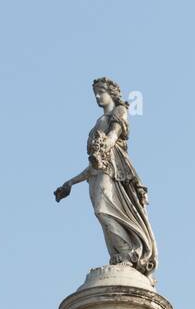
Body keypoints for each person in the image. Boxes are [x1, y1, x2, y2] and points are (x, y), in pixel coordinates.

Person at [54, 77, 157, 276]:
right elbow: (93, 165)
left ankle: (128, 254)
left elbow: (112, 137)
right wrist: (70, 183)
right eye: (95, 94)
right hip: (98, 172)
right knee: (101, 214)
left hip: (115, 171)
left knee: (105, 210)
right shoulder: (97, 122)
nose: (97, 97)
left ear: (112, 93)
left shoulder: (119, 112)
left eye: (101, 92)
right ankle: (118, 256)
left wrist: (101, 149)